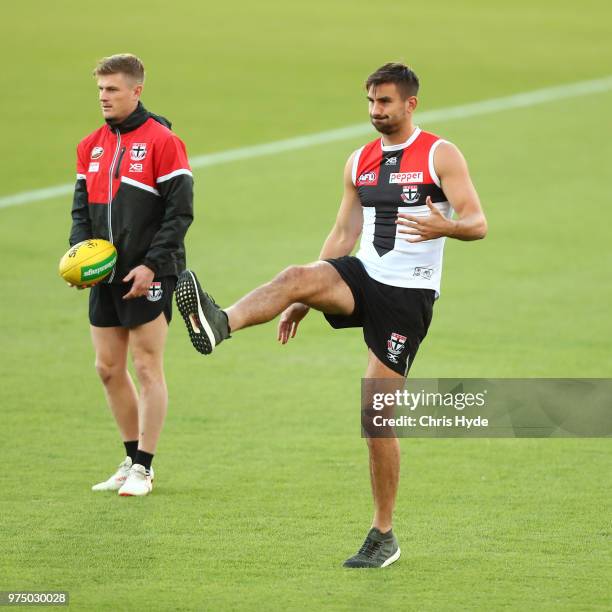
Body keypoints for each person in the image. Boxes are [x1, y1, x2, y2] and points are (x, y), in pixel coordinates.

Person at [175, 63, 486, 565]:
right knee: (297, 273)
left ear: (410, 105)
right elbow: (342, 234)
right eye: (369, 102)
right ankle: (220, 323)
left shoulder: (439, 154)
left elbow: (477, 221)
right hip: (363, 274)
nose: (374, 111)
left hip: (408, 296)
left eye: (384, 102)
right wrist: (303, 298)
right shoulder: (358, 161)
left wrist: (444, 227)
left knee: (376, 417)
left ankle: (384, 536)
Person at [68, 53, 194, 496]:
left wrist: (152, 265)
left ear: (136, 90)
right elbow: (81, 208)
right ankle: (128, 457)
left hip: (150, 272)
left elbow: (179, 214)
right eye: (100, 89)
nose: (104, 97)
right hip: (106, 273)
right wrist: (78, 255)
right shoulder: (91, 145)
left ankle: (145, 466)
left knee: (146, 365)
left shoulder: (162, 142)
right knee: (106, 367)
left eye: (113, 89)